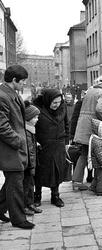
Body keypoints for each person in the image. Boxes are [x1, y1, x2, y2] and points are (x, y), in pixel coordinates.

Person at [0, 65, 35, 229]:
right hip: (10, 149)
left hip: (15, 148)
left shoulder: (11, 94)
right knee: (16, 184)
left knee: (12, 182)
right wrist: (19, 141)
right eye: (23, 82)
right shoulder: (2, 96)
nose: (24, 84)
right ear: (14, 80)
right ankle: (19, 219)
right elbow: (2, 126)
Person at [73, 74, 102, 190]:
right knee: (99, 153)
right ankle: (98, 183)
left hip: (83, 125)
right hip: (93, 126)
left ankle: (77, 181)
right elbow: (99, 109)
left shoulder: (91, 90)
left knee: (84, 153)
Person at [33, 88, 69, 207]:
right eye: (54, 102)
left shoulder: (62, 108)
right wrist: (35, 142)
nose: (57, 105)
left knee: (57, 171)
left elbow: (67, 124)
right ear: (48, 100)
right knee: (40, 171)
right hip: (43, 145)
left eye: (59, 102)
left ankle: (55, 196)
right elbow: (31, 127)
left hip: (59, 144)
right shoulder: (38, 109)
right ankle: (37, 196)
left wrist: (67, 141)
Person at [24, 101, 43, 215]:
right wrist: (31, 166)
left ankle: (30, 204)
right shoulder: (26, 132)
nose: (37, 119)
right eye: (35, 117)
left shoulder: (31, 130)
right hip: (28, 165)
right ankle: (24, 206)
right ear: (28, 118)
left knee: (31, 185)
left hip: (32, 164)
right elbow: (28, 151)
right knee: (26, 187)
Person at [88, 120, 102, 196]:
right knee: (101, 177)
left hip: (98, 163)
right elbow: (99, 155)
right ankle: (100, 190)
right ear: (98, 131)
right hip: (100, 163)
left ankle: (93, 186)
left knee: (97, 175)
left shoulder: (99, 139)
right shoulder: (97, 142)